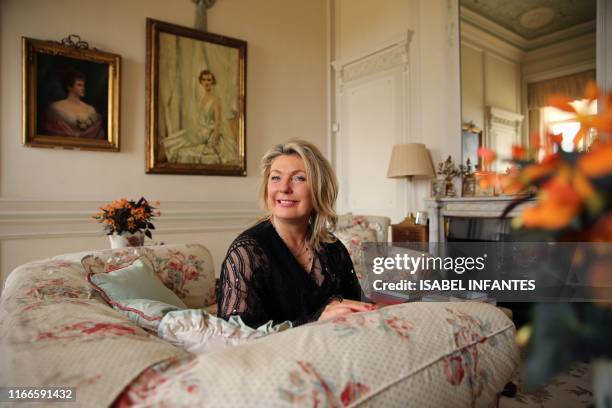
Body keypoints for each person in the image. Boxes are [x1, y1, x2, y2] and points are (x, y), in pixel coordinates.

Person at [217, 140, 375, 328]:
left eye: (298, 178)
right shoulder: (246, 254)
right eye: (275, 178)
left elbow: (358, 309)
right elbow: (235, 335)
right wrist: (316, 321)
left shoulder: (333, 248)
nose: (284, 188)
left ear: (319, 188)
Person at [162, 69, 239, 165]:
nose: (206, 82)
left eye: (209, 80)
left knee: (186, 139)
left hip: (209, 132)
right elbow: (199, 119)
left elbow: (218, 121)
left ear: (213, 82)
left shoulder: (216, 99)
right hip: (200, 129)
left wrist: (214, 138)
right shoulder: (201, 99)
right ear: (201, 82)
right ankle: (168, 146)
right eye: (204, 79)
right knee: (181, 136)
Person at [42, 68, 105, 139]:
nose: (83, 88)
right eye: (79, 85)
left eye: (83, 85)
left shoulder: (90, 109)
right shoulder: (55, 108)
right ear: (70, 87)